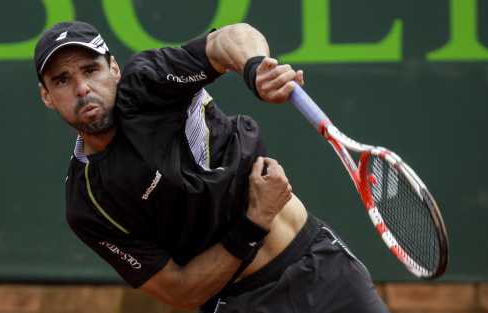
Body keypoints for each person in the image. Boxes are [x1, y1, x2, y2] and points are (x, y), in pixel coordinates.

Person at [34, 21, 389, 313]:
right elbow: (180, 292)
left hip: (322, 267)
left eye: (91, 70)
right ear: (47, 96)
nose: (82, 88)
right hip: (241, 304)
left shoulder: (149, 84)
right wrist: (255, 220)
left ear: (113, 69)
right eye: (62, 80)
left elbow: (227, 40)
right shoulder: (88, 203)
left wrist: (255, 68)